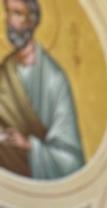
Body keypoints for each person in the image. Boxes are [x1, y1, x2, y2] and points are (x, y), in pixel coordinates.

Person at [0, 0, 85, 179]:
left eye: (17, 13)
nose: (8, 20)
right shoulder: (4, 71)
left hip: (32, 177)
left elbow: (71, 160)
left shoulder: (55, 80)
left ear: (31, 20)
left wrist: (29, 146)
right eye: (7, 12)